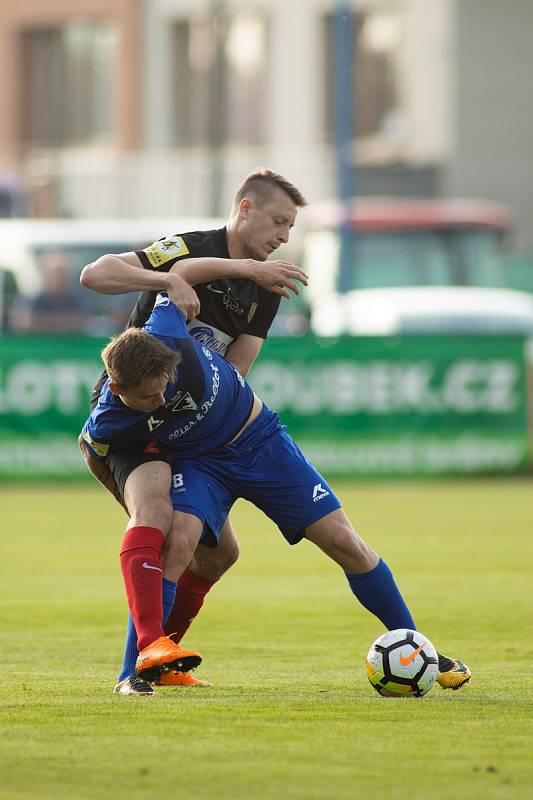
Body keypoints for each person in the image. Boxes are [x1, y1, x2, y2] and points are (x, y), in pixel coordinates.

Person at [80, 291, 472, 695]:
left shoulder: (166, 332)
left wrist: (234, 275)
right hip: (199, 463)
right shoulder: (109, 418)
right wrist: (126, 502)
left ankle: (423, 651)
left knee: (345, 542)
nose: (161, 400)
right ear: (116, 385)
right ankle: (135, 672)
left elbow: (174, 282)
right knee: (176, 543)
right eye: (149, 397)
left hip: (261, 442)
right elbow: (91, 450)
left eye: (165, 388)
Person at [79, 168, 309, 693]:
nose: (284, 237)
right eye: (279, 221)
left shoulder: (265, 287)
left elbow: (238, 369)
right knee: (160, 520)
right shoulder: (188, 247)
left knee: (220, 553)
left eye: (291, 228)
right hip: (136, 415)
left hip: (187, 423)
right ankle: (136, 670)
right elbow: (96, 274)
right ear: (245, 207)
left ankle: (166, 659)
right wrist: (166, 278)